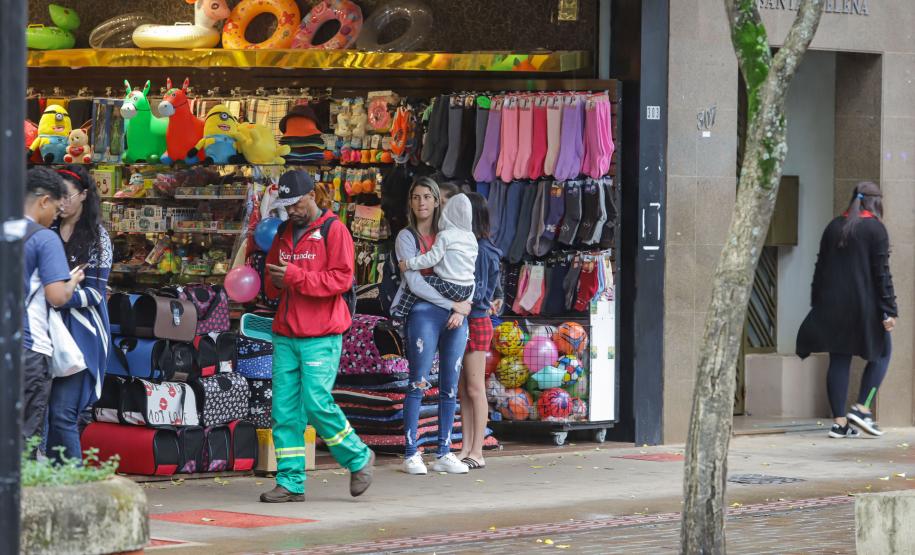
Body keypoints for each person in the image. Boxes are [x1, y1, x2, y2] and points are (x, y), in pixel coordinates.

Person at [262, 169, 374, 502]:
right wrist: (274, 282)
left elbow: (341, 280)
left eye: (294, 203)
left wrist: (294, 277)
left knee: (315, 402)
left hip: (321, 334)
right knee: (284, 411)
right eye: (285, 205)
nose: (290, 211)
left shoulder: (334, 230)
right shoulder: (282, 233)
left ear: (312, 195)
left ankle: (358, 456)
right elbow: (271, 282)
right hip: (286, 333)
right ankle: (290, 482)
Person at [796, 182, 898, 439]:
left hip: (832, 305)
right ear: (876, 202)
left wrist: (817, 303)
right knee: (883, 354)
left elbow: (820, 267)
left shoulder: (833, 226)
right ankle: (862, 408)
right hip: (864, 307)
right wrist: (889, 310)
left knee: (839, 359)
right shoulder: (876, 229)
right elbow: (882, 274)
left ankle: (839, 423)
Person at [392, 177, 474, 475]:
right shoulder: (406, 237)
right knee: (418, 381)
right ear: (410, 202)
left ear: (438, 201)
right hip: (425, 313)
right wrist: (454, 305)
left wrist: (464, 308)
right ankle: (411, 451)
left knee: (450, 386)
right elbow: (414, 282)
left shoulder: (452, 234)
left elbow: (468, 273)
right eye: (416, 197)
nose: (422, 203)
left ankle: (444, 451)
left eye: (427, 197)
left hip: (455, 315)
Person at [47, 166, 112, 462]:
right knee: (41, 416)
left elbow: (97, 293)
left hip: (82, 334)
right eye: (55, 195)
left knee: (63, 414)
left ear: (84, 195)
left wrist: (59, 296)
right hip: (45, 331)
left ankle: (74, 487)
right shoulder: (46, 231)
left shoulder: (98, 237)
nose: (61, 202)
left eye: (67, 195)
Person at [22, 167, 83, 451]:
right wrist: (71, 282)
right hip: (29, 349)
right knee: (26, 437)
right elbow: (57, 297)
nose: (54, 219)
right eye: (56, 211)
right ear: (44, 201)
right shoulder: (44, 239)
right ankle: (22, 495)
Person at [456, 192, 503, 469]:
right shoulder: (474, 247)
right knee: (464, 389)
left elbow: (482, 292)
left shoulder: (481, 250)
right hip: (470, 319)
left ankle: (477, 450)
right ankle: (465, 446)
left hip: (476, 320)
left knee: (475, 388)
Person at [394, 193, 478, 317]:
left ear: (448, 213)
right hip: (468, 289)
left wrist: (408, 264)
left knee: (416, 285)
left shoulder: (445, 235)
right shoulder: (471, 237)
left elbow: (432, 259)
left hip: (451, 287)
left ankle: (398, 316)